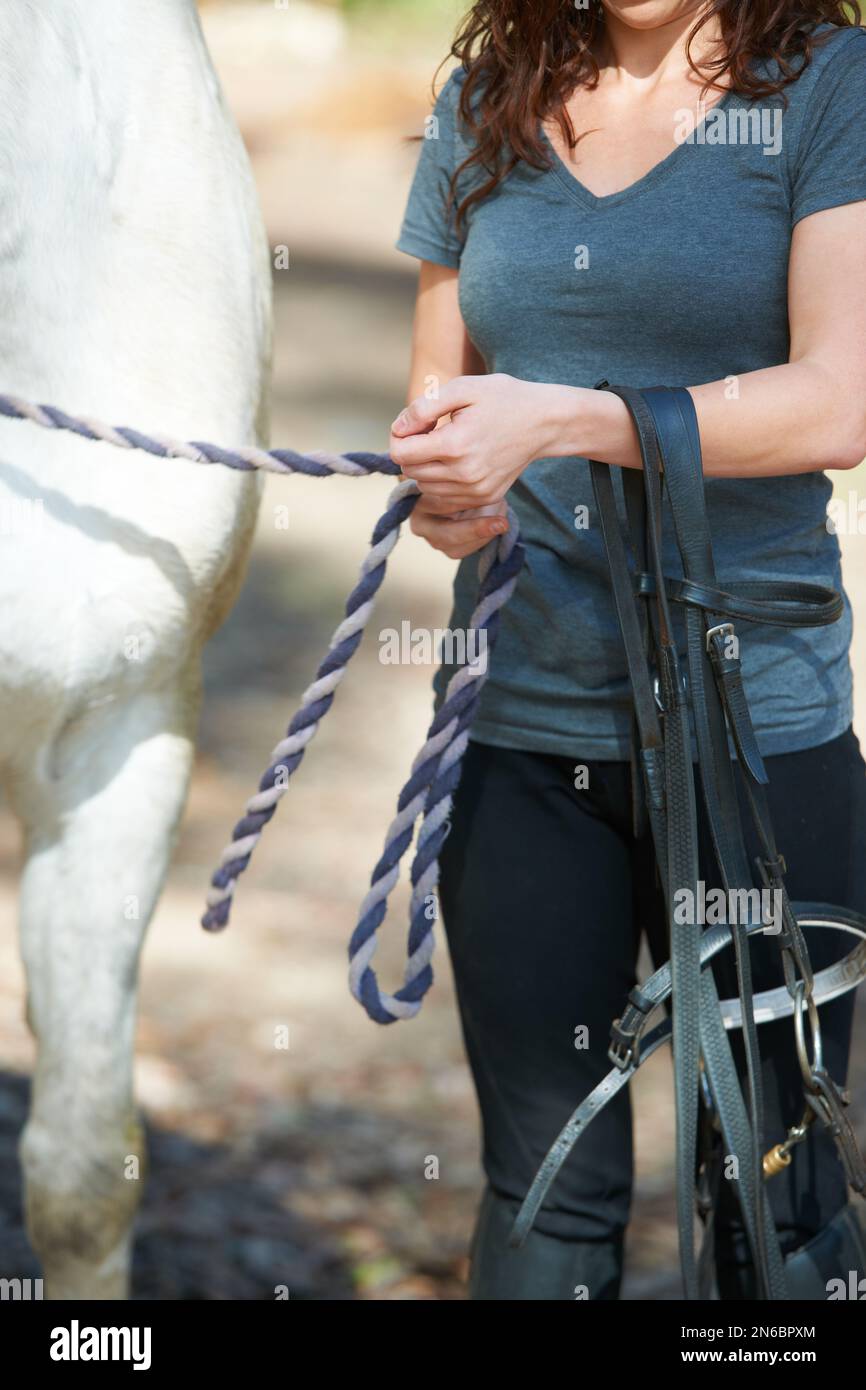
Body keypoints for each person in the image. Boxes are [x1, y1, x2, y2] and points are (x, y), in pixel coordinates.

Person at [390, 0, 866, 1300]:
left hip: (754, 737)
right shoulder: (486, 94)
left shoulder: (828, 85)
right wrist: (446, 488)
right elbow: (440, 398)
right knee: (540, 1195)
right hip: (517, 731)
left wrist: (567, 421)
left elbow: (838, 400)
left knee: (775, 1202)